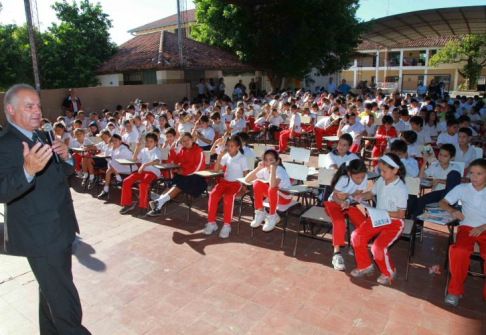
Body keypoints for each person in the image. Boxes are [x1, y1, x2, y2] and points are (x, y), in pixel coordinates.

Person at [0, 84, 90, 333]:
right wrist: (27, 170)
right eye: (29, 106)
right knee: (65, 305)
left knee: (51, 294)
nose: (37, 111)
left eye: (38, 105)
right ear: (11, 109)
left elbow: (60, 175)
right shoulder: (5, 144)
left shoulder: (40, 136)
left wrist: (66, 157)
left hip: (60, 229)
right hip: (39, 236)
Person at [350, 153, 408, 285]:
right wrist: (360, 197)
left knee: (378, 247)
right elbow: (371, 193)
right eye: (380, 170)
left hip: (394, 222)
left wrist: (381, 212)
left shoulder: (401, 188)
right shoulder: (381, 181)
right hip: (378, 218)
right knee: (356, 236)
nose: (381, 174)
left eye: (384, 171)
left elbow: (400, 215)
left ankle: (388, 272)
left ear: (395, 170)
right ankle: (365, 266)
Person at [440, 159, 486, 307]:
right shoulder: (463, 188)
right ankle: (455, 291)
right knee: (458, 251)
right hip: (467, 228)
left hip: (485, 228)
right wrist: (452, 210)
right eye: (472, 173)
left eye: (479, 174)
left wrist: (482, 227)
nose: (474, 177)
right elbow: (442, 202)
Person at [147, 132, 207, 216]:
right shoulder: (183, 150)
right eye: (183, 141)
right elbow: (176, 161)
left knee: (177, 186)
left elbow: (197, 168)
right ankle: (157, 207)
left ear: (192, 139)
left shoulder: (198, 151)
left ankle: (158, 202)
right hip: (183, 176)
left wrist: (183, 172)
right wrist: (171, 151)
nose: (186, 142)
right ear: (181, 143)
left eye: (188, 140)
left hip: (196, 178)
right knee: (170, 185)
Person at [324, 159, 368, 271]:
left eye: (362, 177)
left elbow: (358, 193)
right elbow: (334, 196)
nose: (360, 180)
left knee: (364, 224)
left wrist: (347, 200)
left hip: (349, 203)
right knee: (339, 222)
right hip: (333, 204)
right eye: (357, 178)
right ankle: (336, 254)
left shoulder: (364, 176)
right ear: (349, 173)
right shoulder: (344, 179)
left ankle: (354, 245)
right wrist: (341, 202)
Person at [205, 136, 249, 238]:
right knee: (213, 194)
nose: (229, 148)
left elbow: (246, 174)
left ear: (238, 147)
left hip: (236, 183)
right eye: (228, 146)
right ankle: (211, 222)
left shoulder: (242, 158)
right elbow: (216, 170)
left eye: (232, 146)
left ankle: (226, 225)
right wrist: (219, 157)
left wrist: (243, 189)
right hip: (224, 182)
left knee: (228, 197)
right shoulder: (225, 156)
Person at [244, 149, 292, 232]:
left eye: (271, 160)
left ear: (277, 161)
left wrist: (273, 169)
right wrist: (258, 168)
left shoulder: (280, 170)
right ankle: (260, 212)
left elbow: (273, 185)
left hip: (285, 197)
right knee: (257, 183)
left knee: (272, 187)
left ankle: (272, 215)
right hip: (274, 195)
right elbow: (247, 179)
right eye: (266, 160)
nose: (268, 162)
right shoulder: (265, 170)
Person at [119, 133, 162, 218]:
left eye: (151, 142)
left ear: (155, 143)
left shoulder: (157, 151)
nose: (148, 143)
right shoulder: (144, 150)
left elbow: (157, 161)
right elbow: (134, 159)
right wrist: (137, 148)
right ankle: (127, 204)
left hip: (153, 172)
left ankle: (143, 207)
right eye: (147, 141)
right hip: (143, 172)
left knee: (143, 184)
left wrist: (144, 164)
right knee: (126, 181)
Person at [97, 134, 133, 198]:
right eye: (113, 141)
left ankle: (119, 178)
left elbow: (114, 160)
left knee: (111, 163)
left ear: (120, 141)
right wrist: (109, 146)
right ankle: (106, 190)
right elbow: (107, 156)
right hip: (118, 167)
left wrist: (113, 150)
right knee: (108, 171)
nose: (114, 142)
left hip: (128, 166)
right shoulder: (115, 148)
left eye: (116, 140)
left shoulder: (123, 148)